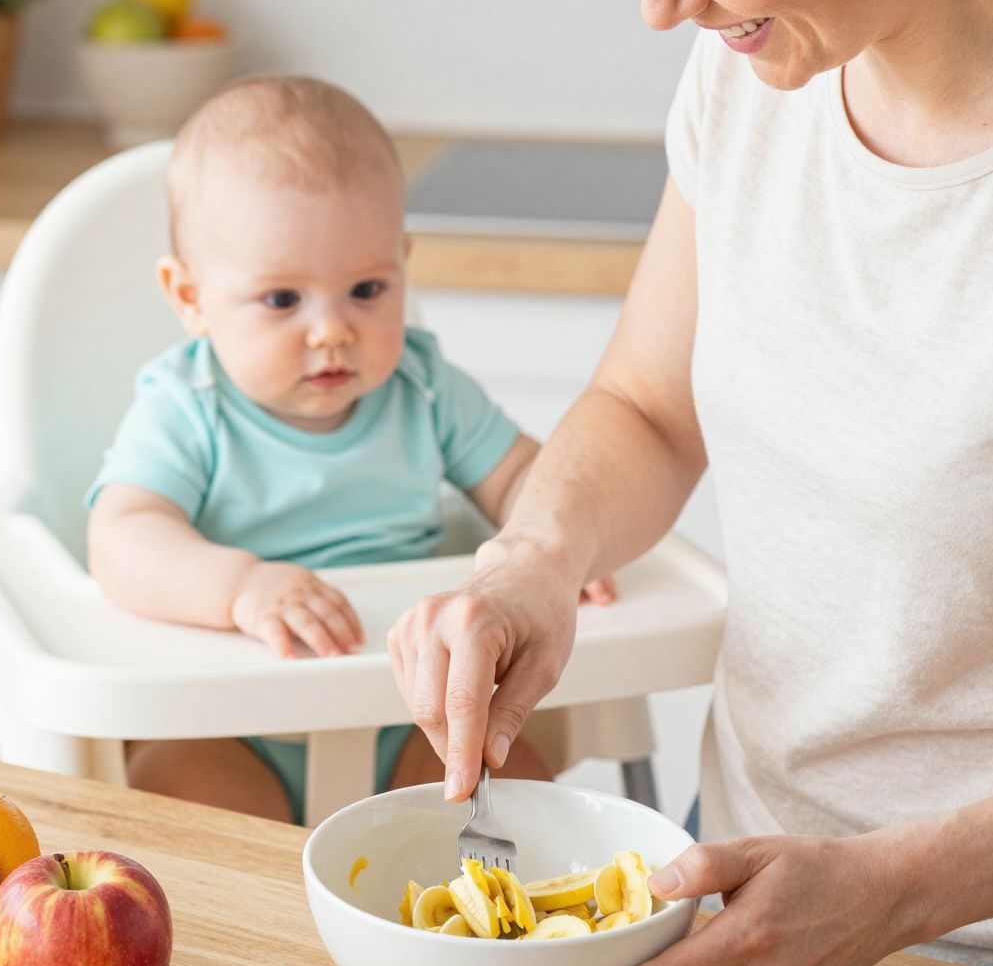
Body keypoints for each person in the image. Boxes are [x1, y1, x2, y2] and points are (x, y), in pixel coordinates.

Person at [388, 0, 993, 966]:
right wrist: (531, 561)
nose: (659, 6)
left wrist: (896, 892)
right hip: (745, 943)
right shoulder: (755, 82)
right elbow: (648, 406)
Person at [86, 74, 607, 823]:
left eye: (366, 290)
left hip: (413, 715)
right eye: (282, 300)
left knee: (515, 793)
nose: (331, 329)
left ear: (403, 262)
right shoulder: (187, 407)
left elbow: (527, 476)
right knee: (183, 809)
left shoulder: (423, 390)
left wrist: (562, 547)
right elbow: (122, 537)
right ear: (190, 298)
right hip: (234, 724)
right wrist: (242, 589)